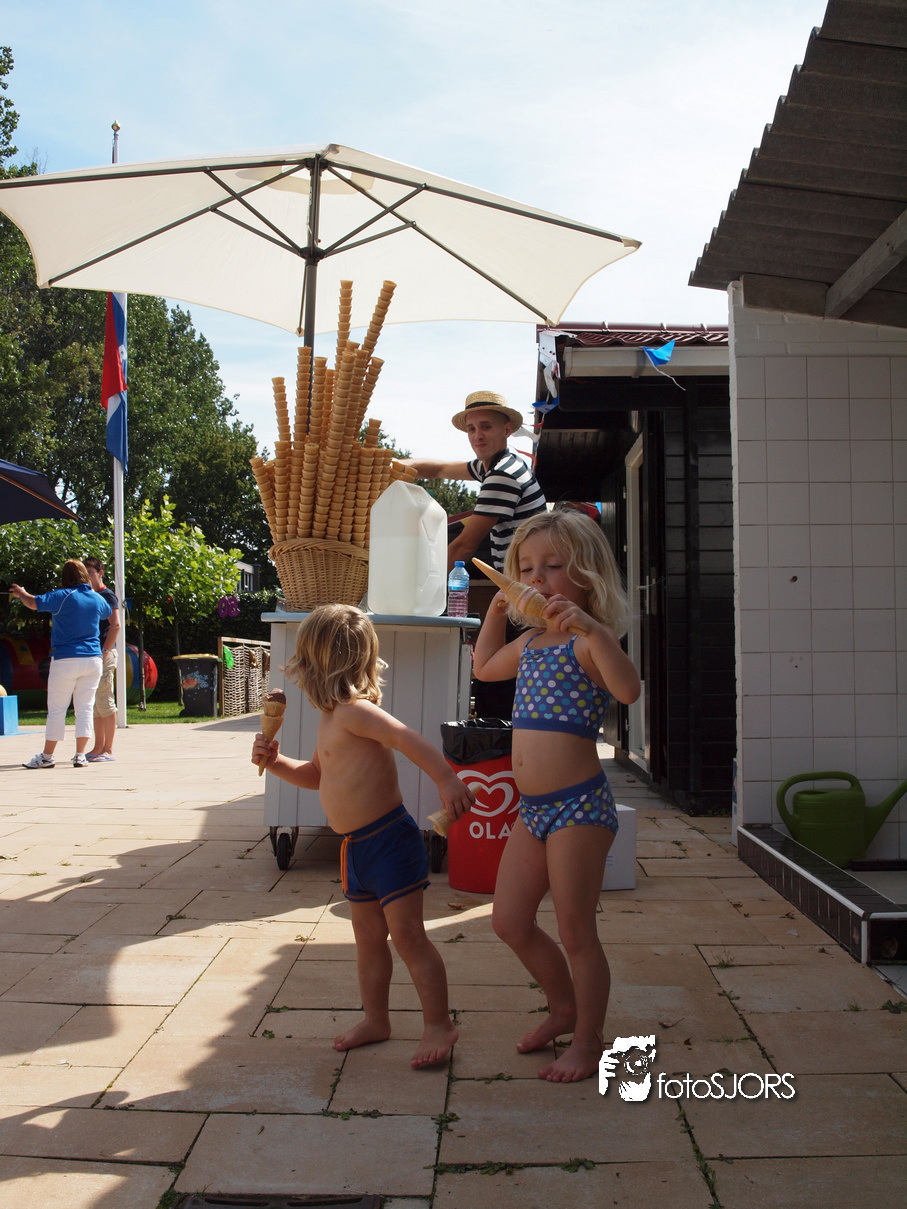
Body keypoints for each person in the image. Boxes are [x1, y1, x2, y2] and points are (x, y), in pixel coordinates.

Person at [251, 603, 475, 1069]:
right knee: (369, 941)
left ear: (320, 665)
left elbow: (407, 738)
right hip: (356, 849)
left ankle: (439, 1024)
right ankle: (377, 1020)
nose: (299, 672)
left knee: (408, 937)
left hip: (389, 841)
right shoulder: (331, 717)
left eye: (304, 661)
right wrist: (276, 762)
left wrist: (446, 779)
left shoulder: (356, 712)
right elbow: (317, 775)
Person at [471, 509, 641, 1083]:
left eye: (552, 566)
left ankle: (589, 1041)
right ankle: (563, 1009)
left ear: (587, 574)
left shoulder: (588, 642)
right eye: (526, 568)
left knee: (575, 929)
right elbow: (484, 668)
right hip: (534, 810)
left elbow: (628, 690)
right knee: (509, 921)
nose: (536, 578)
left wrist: (595, 631)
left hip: (578, 807)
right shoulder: (531, 642)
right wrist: (496, 613)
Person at [401, 389, 547, 572]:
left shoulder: (502, 475)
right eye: (471, 429)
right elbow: (440, 469)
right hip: (526, 574)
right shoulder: (500, 464)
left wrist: (421, 582)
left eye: (486, 427)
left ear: (506, 430)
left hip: (529, 579)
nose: (477, 436)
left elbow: (464, 546)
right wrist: (393, 465)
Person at [11, 560, 112, 769]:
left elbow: (32, 603)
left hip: (66, 659)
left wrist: (21, 593)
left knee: (57, 709)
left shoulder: (62, 596)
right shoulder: (97, 598)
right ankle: (80, 755)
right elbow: (107, 613)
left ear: (65, 577)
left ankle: (47, 756)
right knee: (85, 708)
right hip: (93, 660)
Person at [84, 556, 121, 762]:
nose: (87, 576)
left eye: (90, 572)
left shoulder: (107, 596)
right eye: (85, 573)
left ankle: (108, 749)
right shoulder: (88, 595)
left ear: (100, 573)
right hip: (92, 655)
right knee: (96, 705)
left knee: (106, 701)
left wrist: (105, 650)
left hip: (104, 654)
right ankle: (98, 747)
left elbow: (116, 625)